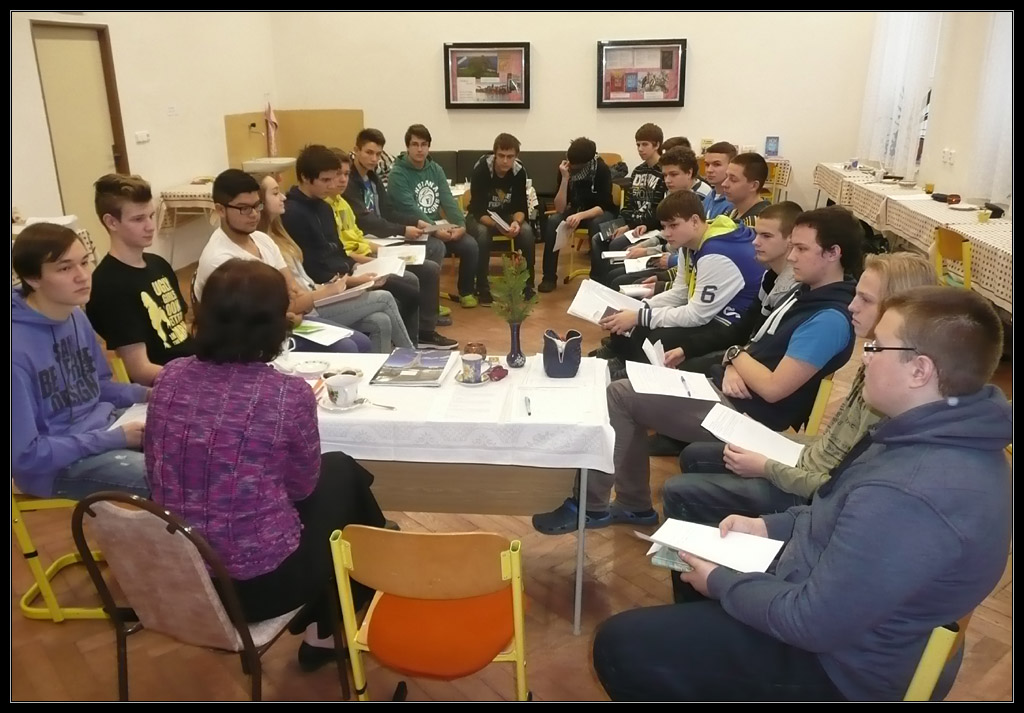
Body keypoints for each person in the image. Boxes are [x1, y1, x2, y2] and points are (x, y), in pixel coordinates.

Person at [592, 285, 1011, 701]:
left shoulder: (912, 492)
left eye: (877, 347)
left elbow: (813, 623)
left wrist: (722, 583)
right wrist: (768, 526)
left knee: (621, 645)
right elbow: (833, 505)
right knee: (695, 559)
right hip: (828, 605)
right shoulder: (930, 430)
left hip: (842, 670)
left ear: (919, 371)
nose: (865, 356)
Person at [534, 206, 861, 535]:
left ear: (833, 253)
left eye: (801, 248)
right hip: (732, 391)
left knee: (620, 396)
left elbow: (774, 387)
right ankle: (627, 504)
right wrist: (734, 360)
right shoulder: (805, 293)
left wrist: (734, 356)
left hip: (747, 415)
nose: (792, 256)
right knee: (627, 388)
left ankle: (595, 506)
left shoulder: (827, 318)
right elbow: (755, 341)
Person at [146, 258, 388, 672]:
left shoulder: (169, 377)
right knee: (344, 478)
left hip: (181, 573)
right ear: (276, 323)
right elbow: (302, 487)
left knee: (343, 475)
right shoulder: (285, 394)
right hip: (257, 585)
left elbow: (157, 469)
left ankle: (357, 587)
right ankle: (351, 598)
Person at [664, 253, 938, 531]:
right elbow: (831, 446)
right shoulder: (873, 360)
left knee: (680, 490)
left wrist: (767, 466)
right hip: (808, 467)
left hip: (814, 495)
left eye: (865, 300)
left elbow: (839, 485)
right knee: (694, 455)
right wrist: (766, 441)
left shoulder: (892, 389)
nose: (852, 306)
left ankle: (715, 547)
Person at [12, 223, 149, 499]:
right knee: (176, 477)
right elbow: (26, 455)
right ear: (33, 278)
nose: (83, 276)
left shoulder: (75, 314)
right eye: (65, 268)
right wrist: (114, 438)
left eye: (85, 262)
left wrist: (149, 394)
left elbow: (97, 387)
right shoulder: (16, 351)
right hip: (56, 467)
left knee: (200, 440)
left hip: (106, 428)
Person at [594, 190, 763, 368]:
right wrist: (641, 308)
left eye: (673, 225)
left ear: (695, 221)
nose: (667, 233)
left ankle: (632, 372)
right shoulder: (691, 242)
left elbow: (696, 315)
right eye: (664, 226)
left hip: (733, 323)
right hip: (711, 311)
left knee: (657, 337)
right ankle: (621, 361)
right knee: (637, 318)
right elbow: (680, 292)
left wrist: (640, 316)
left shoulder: (716, 254)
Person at [256, 173, 412, 352]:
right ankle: (411, 356)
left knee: (380, 320)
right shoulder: (274, 234)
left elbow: (305, 281)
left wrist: (337, 286)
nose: (283, 197)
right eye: (275, 193)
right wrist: (331, 289)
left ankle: (387, 367)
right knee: (385, 298)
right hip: (308, 307)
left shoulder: (279, 233)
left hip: (315, 295)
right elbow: (295, 295)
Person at [87, 174, 194, 386]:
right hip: (169, 385)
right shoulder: (109, 285)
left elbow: (180, 331)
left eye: (151, 216)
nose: (150, 226)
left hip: (193, 366)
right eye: (138, 219)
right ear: (111, 222)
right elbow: (140, 370)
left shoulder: (158, 264)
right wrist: (199, 380)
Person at [342, 128, 454, 329]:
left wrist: (415, 222)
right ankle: (426, 319)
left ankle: (428, 312)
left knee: (435, 245)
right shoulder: (348, 183)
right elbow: (367, 221)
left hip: (384, 238)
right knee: (430, 257)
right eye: (369, 152)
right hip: (369, 241)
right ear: (356, 151)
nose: (374, 159)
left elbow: (388, 212)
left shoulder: (373, 178)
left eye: (378, 154)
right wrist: (403, 230)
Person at [387, 123, 480, 308]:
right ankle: (431, 303)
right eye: (415, 144)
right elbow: (411, 208)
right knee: (437, 247)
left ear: (429, 146)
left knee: (470, 245)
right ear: (407, 147)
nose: (420, 149)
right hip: (412, 230)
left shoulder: (435, 169)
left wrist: (460, 225)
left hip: (437, 226)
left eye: (424, 144)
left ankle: (466, 292)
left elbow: (448, 201)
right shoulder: (398, 173)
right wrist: (435, 230)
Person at [539, 137, 617, 292]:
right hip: (576, 210)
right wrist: (565, 179)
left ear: (586, 163)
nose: (572, 167)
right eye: (570, 162)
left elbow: (603, 206)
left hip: (599, 212)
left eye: (576, 166)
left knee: (597, 224)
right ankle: (548, 277)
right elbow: (560, 208)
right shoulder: (565, 169)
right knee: (554, 221)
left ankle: (597, 280)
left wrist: (580, 215)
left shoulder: (601, 169)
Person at [465, 132, 537, 302]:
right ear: (494, 154)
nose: (505, 161)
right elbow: (478, 210)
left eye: (510, 157)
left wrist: (516, 223)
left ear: (516, 156)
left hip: (507, 215)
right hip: (481, 216)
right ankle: (481, 287)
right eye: (501, 156)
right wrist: (498, 226)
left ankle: (527, 285)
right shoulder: (482, 170)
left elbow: (521, 207)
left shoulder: (519, 172)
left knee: (527, 232)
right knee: (482, 234)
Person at [721, 152, 772, 226]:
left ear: (754, 186)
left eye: (733, 179)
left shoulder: (758, 223)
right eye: (726, 177)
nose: (724, 184)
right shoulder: (732, 211)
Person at [701, 141, 738, 220]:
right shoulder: (709, 197)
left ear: (731, 165)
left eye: (717, 164)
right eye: (707, 164)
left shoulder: (734, 202)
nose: (709, 170)